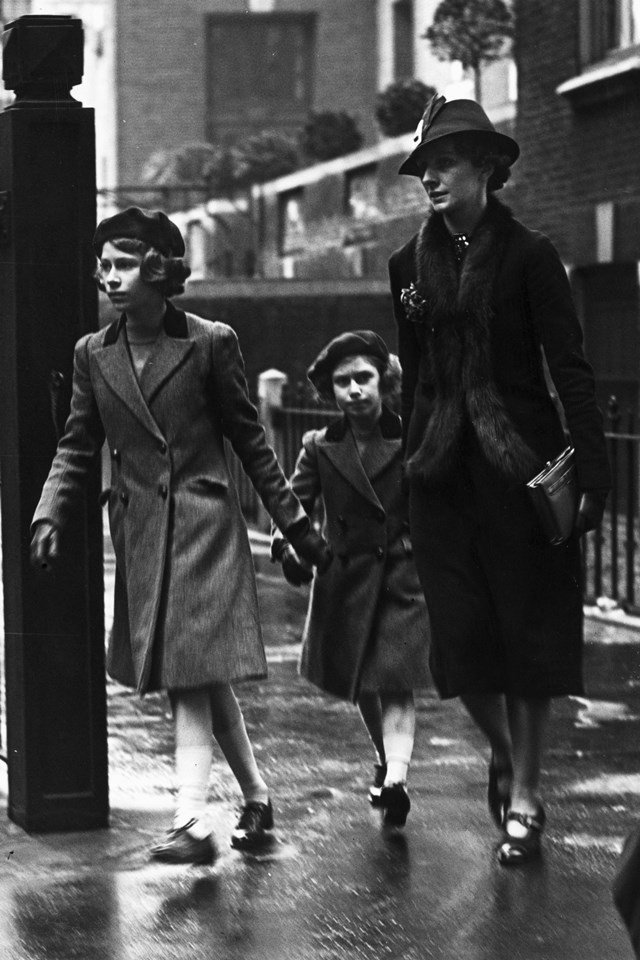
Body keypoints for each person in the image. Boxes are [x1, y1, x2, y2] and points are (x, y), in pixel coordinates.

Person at [30, 207, 330, 864]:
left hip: (202, 523)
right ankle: (256, 796)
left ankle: (192, 821)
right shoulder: (93, 354)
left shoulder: (209, 343)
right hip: (140, 532)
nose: (108, 277)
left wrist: (297, 526)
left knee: (191, 673)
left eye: (123, 264)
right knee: (195, 676)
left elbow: (252, 444)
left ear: (160, 270)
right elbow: (78, 444)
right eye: (102, 265)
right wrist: (49, 512)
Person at [389, 96, 611, 864]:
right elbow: (416, 382)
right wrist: (404, 476)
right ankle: (507, 755)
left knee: (526, 642)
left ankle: (525, 799)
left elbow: (571, 369)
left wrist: (593, 475)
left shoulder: (530, 256)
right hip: (441, 481)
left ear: (486, 168)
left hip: (521, 475)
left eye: (444, 164)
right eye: (424, 167)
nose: (430, 179)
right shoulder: (404, 269)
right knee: (458, 648)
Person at [272, 331, 430, 827]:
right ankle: (386, 760)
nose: (355, 390)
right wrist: (287, 544)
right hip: (344, 576)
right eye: (343, 382)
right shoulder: (319, 447)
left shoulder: (412, 440)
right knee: (362, 681)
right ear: (331, 391)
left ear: (384, 381)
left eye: (364, 378)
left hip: (402, 573)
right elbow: (293, 504)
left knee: (397, 679)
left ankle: (398, 779)